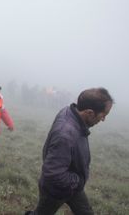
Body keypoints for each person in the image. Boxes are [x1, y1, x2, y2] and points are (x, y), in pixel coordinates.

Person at [25, 87, 114, 215]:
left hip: (72, 186)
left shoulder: (70, 112)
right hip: (56, 190)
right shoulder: (66, 134)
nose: (104, 119)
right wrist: (78, 181)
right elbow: (53, 173)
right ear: (89, 112)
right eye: (103, 115)